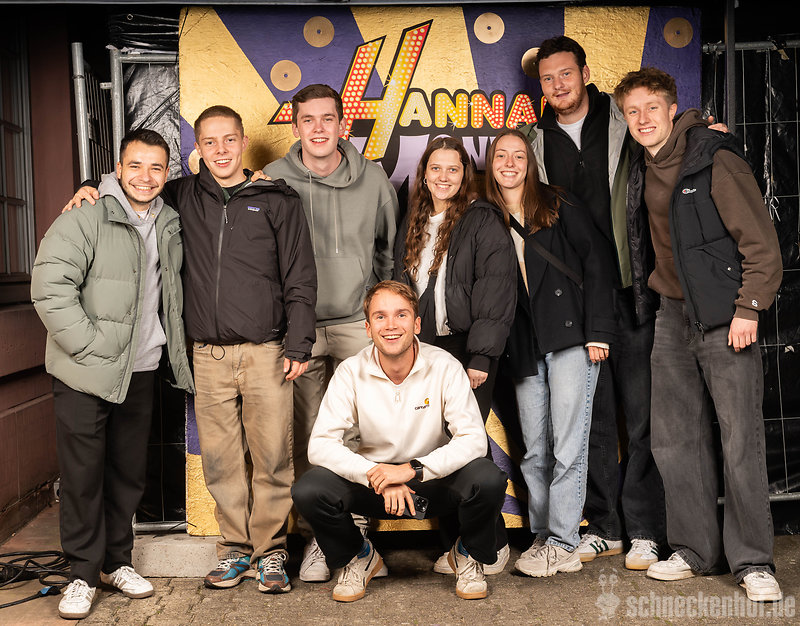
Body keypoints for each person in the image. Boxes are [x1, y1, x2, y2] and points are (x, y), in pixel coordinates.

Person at [62, 106, 317, 595]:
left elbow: (300, 277)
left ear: (244, 142)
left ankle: (271, 551)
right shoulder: (180, 195)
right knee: (221, 461)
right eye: (210, 142)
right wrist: (90, 185)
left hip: (267, 350)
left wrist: (299, 342)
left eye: (229, 140)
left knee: (271, 457)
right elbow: (134, 184)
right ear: (196, 148)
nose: (220, 150)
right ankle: (235, 549)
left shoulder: (278, 199)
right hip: (208, 355)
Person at [614, 67, 783, 601]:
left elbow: (761, 244)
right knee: (674, 439)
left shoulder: (714, 157)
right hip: (670, 315)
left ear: (673, 109)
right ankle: (694, 551)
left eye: (651, 108)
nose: (642, 119)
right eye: (632, 111)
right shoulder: (641, 163)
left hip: (726, 316)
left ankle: (753, 563)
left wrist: (749, 308)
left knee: (739, 440)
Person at [32, 129, 195, 619]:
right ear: (117, 169)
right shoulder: (85, 215)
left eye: (156, 167)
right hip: (84, 372)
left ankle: (116, 562)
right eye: (135, 166)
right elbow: (49, 287)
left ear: (167, 172)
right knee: (83, 477)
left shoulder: (168, 219)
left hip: (140, 367)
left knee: (127, 473)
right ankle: (82, 574)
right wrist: (90, 346)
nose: (145, 176)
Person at [520, 35, 666, 570]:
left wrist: (702, 126)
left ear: (585, 72)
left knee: (643, 415)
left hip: (633, 289)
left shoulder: (625, 121)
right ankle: (605, 527)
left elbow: (672, 130)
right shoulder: (534, 141)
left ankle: (646, 529)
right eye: (548, 79)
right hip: (577, 303)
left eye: (566, 73)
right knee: (594, 420)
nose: (558, 85)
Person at [291, 280, 508, 602]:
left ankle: (467, 554)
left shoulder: (445, 366)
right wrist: (377, 474)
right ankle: (359, 557)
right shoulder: (350, 371)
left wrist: (412, 470)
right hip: (375, 486)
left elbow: (474, 439)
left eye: (401, 315)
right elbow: (321, 444)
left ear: (417, 324)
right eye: (380, 316)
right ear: (368, 328)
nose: (391, 325)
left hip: (430, 481)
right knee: (309, 489)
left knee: (488, 478)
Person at [261, 84, 399, 582]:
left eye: (327, 119)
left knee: (361, 431)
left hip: (355, 324)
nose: (318, 129)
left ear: (344, 124)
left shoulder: (373, 179)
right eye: (308, 120)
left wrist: (376, 312)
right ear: (295, 126)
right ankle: (320, 535)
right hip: (299, 326)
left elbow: (389, 251)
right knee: (309, 433)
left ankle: (355, 531)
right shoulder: (273, 179)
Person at [485, 128, 616, 577]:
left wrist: (599, 331)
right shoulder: (485, 216)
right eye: (501, 156)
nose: (510, 163)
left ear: (530, 163)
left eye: (518, 156)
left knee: (568, 445)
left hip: (572, 337)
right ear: (490, 164)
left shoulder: (557, 202)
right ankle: (543, 535)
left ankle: (564, 541)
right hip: (523, 342)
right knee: (535, 451)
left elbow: (597, 262)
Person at [392, 136, 516, 574]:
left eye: (453, 169)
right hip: (425, 350)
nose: (444, 177)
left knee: (466, 445)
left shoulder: (481, 219)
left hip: (466, 347)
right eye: (436, 168)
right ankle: (457, 545)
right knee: (432, 446)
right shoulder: (414, 220)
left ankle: (490, 546)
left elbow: (496, 288)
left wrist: (481, 356)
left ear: (465, 175)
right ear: (424, 174)